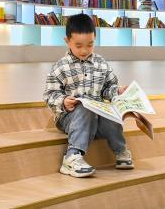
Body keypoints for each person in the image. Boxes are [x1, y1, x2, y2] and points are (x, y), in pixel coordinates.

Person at [43, 13, 134, 177]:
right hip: (70, 116)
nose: (84, 50)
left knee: (112, 114)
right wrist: (63, 101)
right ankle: (72, 157)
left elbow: (108, 87)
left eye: (90, 45)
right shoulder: (60, 67)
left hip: (97, 115)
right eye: (78, 46)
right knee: (85, 110)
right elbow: (50, 94)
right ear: (67, 41)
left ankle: (120, 150)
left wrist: (118, 91)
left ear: (95, 40)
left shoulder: (101, 63)